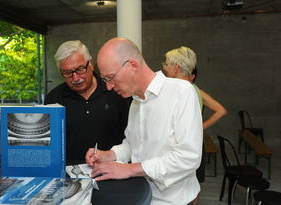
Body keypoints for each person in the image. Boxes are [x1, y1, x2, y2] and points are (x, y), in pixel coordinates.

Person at [86, 37, 203, 205]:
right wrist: (109, 155)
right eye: (105, 80)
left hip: (174, 201)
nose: (109, 87)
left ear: (132, 65)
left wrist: (129, 169)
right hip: (141, 195)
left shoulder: (181, 92)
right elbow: (132, 145)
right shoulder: (135, 102)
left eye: (110, 78)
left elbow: (189, 156)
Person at [45, 40, 131, 165]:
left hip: (115, 170)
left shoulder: (116, 90)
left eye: (80, 69)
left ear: (90, 64)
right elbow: (49, 144)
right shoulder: (54, 99)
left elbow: (132, 137)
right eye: (68, 73)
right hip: (71, 175)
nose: (76, 78)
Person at [163, 46, 227, 205]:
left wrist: (201, 126)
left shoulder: (171, 90)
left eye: (166, 65)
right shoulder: (197, 90)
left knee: (176, 185)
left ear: (176, 67)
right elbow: (221, 110)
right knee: (193, 182)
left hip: (177, 145)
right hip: (195, 143)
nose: (164, 68)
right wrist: (200, 127)